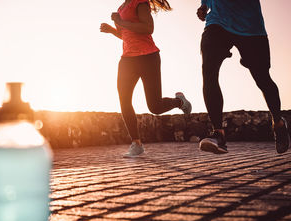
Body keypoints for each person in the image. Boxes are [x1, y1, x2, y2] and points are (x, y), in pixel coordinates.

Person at [100, 0, 192, 158]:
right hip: (127, 59)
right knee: (124, 100)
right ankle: (136, 144)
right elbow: (126, 34)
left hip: (148, 58)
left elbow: (148, 28)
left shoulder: (139, 2)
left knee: (155, 107)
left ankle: (179, 102)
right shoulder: (121, 7)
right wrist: (112, 30)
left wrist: (121, 21)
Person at [197, 0, 290, 154]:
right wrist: (204, 5)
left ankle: (279, 123)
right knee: (209, 72)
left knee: (262, 79)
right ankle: (218, 134)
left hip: (250, 27)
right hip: (216, 22)